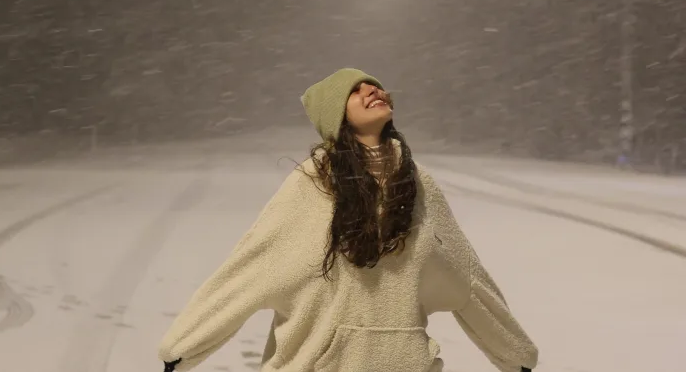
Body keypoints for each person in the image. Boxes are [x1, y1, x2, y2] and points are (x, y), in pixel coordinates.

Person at [158, 68, 538, 372]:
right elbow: (250, 267)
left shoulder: (418, 183)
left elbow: (465, 274)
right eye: (356, 90)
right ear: (335, 114)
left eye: (375, 86)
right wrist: (184, 347)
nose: (373, 91)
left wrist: (515, 354)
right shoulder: (312, 183)